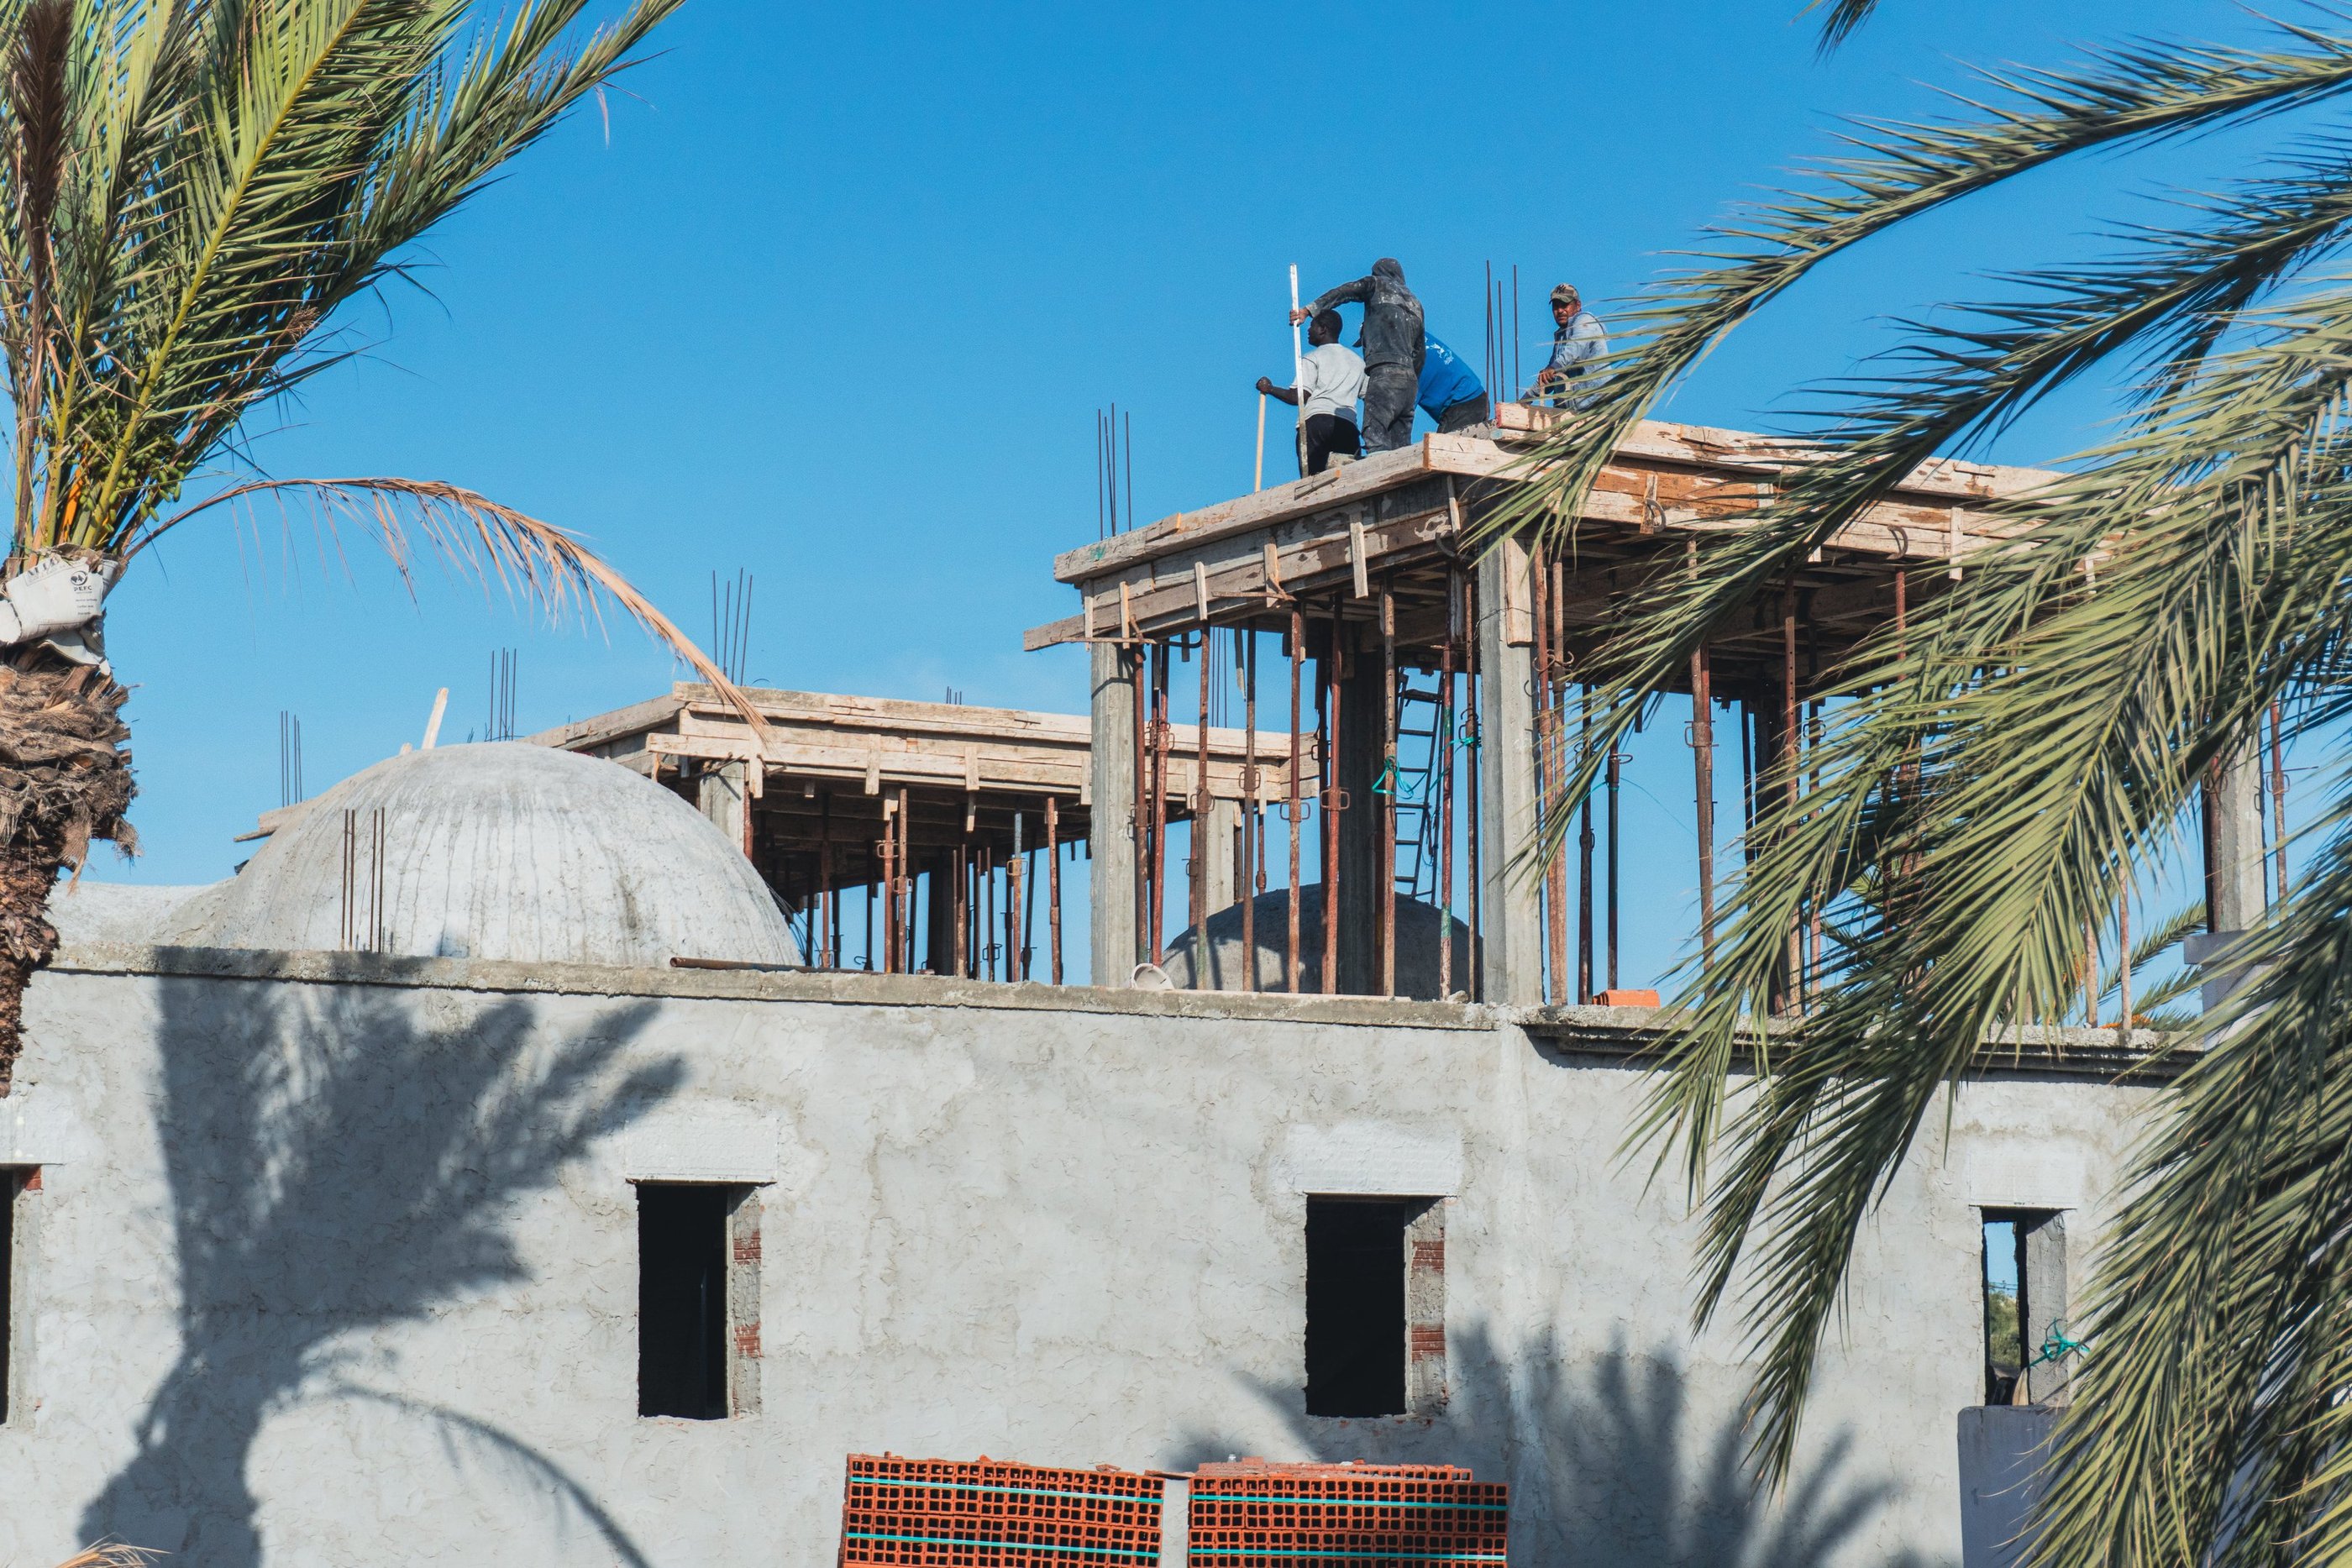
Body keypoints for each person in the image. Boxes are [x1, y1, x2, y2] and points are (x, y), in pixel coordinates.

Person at [1292, 258, 1423, 454]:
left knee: (1376, 435)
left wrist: (1309, 310)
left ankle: (1379, 470)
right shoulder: (1415, 304)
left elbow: (1345, 292)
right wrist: (1411, 379)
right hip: (1409, 381)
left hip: (1384, 371)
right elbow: (1420, 352)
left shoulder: (1377, 284)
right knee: (1401, 448)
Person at [1257, 309, 1364, 475]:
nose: (1308, 330)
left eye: (1312, 326)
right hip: (1347, 426)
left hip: (1317, 423)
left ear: (1323, 329)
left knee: (1313, 480)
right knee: (1347, 478)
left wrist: (1270, 389)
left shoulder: (1314, 357)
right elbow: (1370, 396)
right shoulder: (1358, 362)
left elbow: (1298, 397)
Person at [1533, 283, 1607, 407]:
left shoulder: (1585, 321)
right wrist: (1523, 401)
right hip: (1570, 413)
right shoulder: (1561, 337)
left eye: (1564, 305)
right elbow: (1549, 378)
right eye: (1556, 307)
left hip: (1595, 408)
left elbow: (1574, 349)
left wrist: (1554, 368)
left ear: (1578, 305)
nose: (1560, 311)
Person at [1418, 330, 1488, 432]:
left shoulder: (1405, 359)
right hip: (1470, 399)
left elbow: (1401, 410)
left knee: (1444, 443)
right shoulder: (1410, 332)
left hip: (1465, 401)